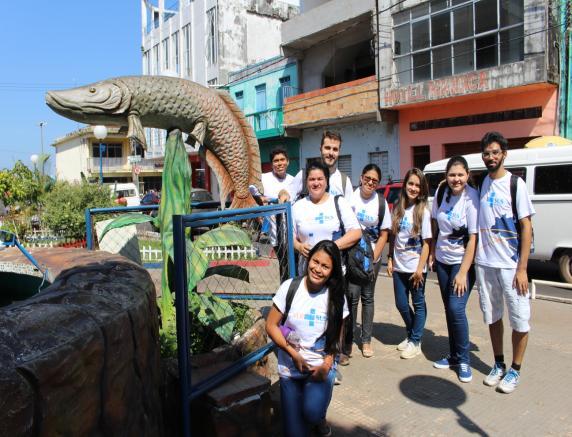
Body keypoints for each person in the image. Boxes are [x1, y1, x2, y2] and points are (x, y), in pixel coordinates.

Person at [266, 240, 348, 437]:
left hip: (319, 366)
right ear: (308, 260)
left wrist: (327, 365)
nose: (318, 269)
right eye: (315, 262)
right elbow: (271, 325)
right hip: (290, 367)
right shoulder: (290, 287)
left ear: (333, 270)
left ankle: (318, 416)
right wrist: (293, 354)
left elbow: (338, 336)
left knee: (311, 413)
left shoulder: (336, 296)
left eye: (325, 266)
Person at [475, 131, 535, 394]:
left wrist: (522, 268)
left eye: (495, 152)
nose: (490, 157)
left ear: (504, 154)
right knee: (493, 316)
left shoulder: (515, 184)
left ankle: (515, 369)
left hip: (511, 267)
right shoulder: (481, 183)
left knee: (520, 320)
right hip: (485, 264)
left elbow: (526, 225)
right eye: (487, 153)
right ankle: (498, 364)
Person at [430, 156, 479, 382]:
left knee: (456, 309)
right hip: (442, 261)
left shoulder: (471, 198)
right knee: (449, 309)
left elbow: (473, 238)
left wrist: (462, 272)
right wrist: (432, 253)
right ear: (446, 176)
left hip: (462, 263)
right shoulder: (441, 193)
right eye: (452, 175)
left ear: (467, 175)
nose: (456, 179)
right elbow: (434, 223)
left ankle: (464, 360)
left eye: (460, 175)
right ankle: (453, 355)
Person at [343, 164, 391, 359]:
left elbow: (384, 233)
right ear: (361, 178)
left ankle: (366, 340)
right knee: (352, 296)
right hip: (354, 257)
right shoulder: (351, 198)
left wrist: (373, 258)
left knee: (368, 297)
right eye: (367, 178)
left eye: (375, 180)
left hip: (372, 257)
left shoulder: (380, 202)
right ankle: (350, 338)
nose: (370, 182)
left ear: (378, 184)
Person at [387, 168, 432, 359]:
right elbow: (393, 236)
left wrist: (420, 269)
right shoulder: (398, 208)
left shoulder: (423, 212)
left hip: (416, 268)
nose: (413, 188)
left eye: (417, 185)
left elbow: (427, 243)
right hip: (399, 266)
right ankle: (413, 333)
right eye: (410, 183)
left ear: (422, 189)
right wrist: (390, 258)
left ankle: (415, 340)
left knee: (418, 303)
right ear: (405, 185)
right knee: (401, 303)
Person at [291, 160, 361, 276]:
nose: (316, 183)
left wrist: (330, 247)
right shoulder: (297, 207)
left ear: (327, 181)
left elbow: (356, 232)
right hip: (306, 273)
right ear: (306, 182)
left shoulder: (339, 202)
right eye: (312, 179)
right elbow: (290, 236)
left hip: (334, 273)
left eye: (320, 179)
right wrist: (299, 246)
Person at [282, 130, 353, 202]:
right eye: (327, 148)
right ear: (320, 149)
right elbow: (286, 193)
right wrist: (283, 194)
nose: (331, 153)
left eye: (335, 149)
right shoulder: (304, 175)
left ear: (339, 152)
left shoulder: (345, 181)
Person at [260, 147, 295, 282]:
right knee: (284, 268)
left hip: (294, 233)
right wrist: (260, 199)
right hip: (276, 234)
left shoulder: (293, 180)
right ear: (272, 164)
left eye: (282, 160)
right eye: (276, 161)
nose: (279, 163)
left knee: (294, 268)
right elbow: (250, 192)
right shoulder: (264, 178)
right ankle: (285, 296)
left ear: (287, 162)